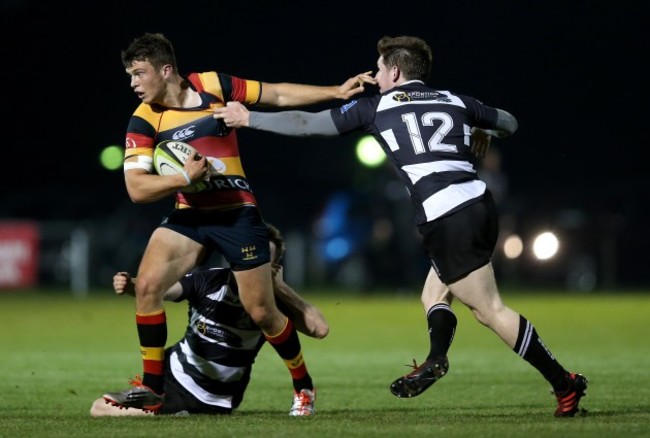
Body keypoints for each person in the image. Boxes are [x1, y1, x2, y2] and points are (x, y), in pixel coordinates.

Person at [214, 35, 588, 418]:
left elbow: (308, 124)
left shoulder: (377, 107)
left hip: (446, 215)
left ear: (394, 71)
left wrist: (249, 118)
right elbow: (509, 121)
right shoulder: (454, 100)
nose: (375, 75)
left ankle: (564, 384)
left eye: (378, 68)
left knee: (489, 310)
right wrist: (483, 131)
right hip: (478, 203)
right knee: (433, 294)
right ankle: (436, 358)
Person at [110, 32, 373, 413]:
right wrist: (184, 179)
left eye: (139, 73)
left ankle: (303, 386)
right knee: (147, 285)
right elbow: (136, 189)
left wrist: (335, 91)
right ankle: (154, 387)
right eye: (130, 75)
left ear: (166, 70)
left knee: (262, 311)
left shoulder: (213, 85)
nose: (133, 83)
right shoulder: (144, 119)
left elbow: (277, 94)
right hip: (191, 214)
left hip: (236, 213)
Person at [96, 224, 328, 417]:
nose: (253, 265)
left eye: (263, 260)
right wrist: (132, 286)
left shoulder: (272, 303)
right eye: (250, 256)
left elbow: (320, 329)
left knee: (102, 408)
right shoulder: (211, 280)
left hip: (210, 395)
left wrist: (281, 287)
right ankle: (165, 403)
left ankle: (180, 413)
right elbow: (163, 290)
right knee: (100, 407)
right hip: (172, 371)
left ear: (274, 267)